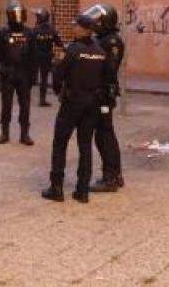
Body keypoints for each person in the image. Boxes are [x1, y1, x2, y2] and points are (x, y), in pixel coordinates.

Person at [42, 12, 114, 204]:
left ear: (83, 29)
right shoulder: (101, 52)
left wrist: (59, 91)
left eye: (76, 26)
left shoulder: (73, 51)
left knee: (60, 142)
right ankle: (82, 191)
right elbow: (108, 78)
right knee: (85, 145)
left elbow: (58, 75)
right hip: (92, 103)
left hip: (72, 102)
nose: (74, 28)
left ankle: (56, 187)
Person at [82, 3, 126, 193]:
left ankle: (111, 177)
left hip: (104, 94)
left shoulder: (112, 42)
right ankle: (115, 174)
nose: (94, 23)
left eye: (98, 20)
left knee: (104, 135)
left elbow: (108, 69)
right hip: (99, 92)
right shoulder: (102, 39)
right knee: (104, 134)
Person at [0, 2, 35, 145]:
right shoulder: (3, 32)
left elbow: (34, 55)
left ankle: (25, 134)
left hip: (24, 73)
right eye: (15, 14)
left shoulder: (29, 33)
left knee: (25, 105)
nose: (18, 17)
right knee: (6, 105)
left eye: (20, 14)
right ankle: (4, 133)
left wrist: (33, 75)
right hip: (8, 73)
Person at [32, 8, 63, 107]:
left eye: (38, 17)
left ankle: (26, 97)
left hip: (35, 56)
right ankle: (42, 99)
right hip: (46, 56)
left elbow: (30, 43)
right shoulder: (52, 29)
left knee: (31, 77)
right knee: (44, 79)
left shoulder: (35, 29)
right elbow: (59, 43)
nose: (37, 18)